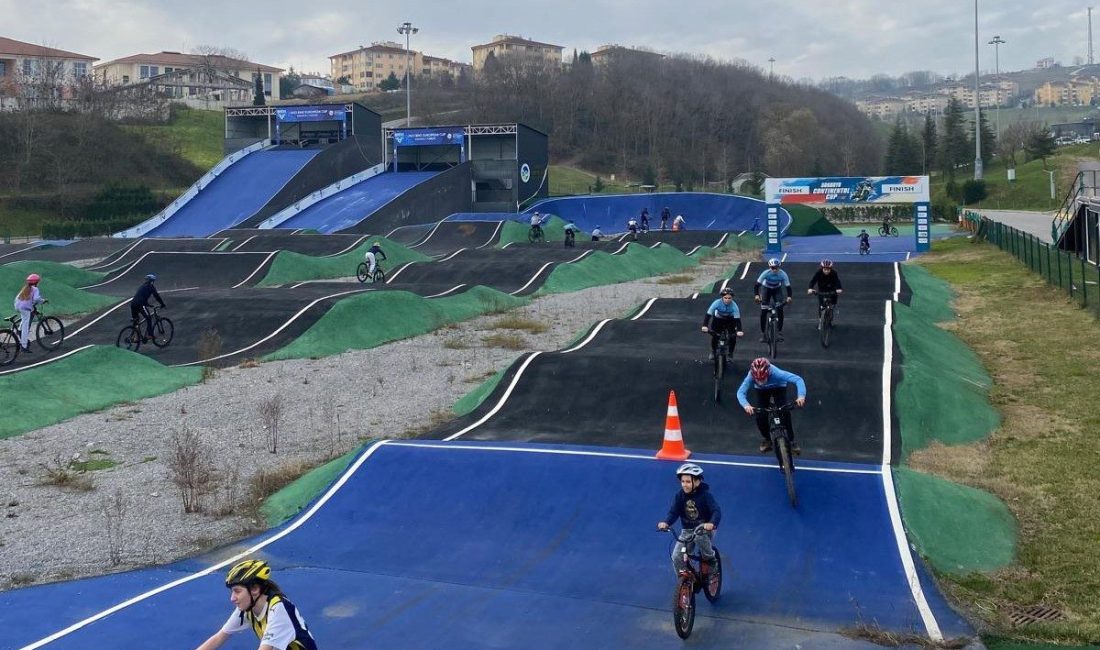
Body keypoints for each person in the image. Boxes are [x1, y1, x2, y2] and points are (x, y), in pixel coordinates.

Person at [196, 559, 318, 650]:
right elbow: (219, 637)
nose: (232, 598)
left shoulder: (278, 609)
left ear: (254, 589)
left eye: (237, 591)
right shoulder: (247, 608)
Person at [657, 463, 720, 574]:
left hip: (704, 529)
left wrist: (711, 523)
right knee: (676, 557)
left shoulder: (705, 496)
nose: (684, 485)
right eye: (682, 481)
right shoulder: (680, 496)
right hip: (687, 531)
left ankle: (711, 560)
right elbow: (674, 512)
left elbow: (716, 511)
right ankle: (685, 581)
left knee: (699, 537)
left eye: (688, 482)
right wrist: (666, 522)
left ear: (697, 482)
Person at [736, 357, 806, 454]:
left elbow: (798, 380)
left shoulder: (776, 373)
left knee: (784, 411)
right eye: (758, 379)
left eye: (763, 378)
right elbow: (740, 393)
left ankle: (791, 441)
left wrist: (801, 397)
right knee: (760, 415)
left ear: (768, 373)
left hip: (778, 387)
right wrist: (746, 406)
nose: (761, 381)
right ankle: (767, 439)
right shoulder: (751, 376)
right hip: (761, 391)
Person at [753, 258, 792, 342]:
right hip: (766, 289)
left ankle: (779, 332)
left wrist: (789, 297)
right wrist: (756, 295)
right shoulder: (765, 273)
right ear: (769, 267)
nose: (774, 270)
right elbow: (757, 285)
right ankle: (763, 334)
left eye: (776, 268)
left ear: (779, 267)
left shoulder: (783, 274)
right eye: (772, 268)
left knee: (780, 308)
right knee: (763, 311)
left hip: (777, 289)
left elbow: (788, 287)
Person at [701, 287, 743, 361]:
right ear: (722, 297)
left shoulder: (734, 306)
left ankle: (730, 353)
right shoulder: (716, 303)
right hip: (718, 319)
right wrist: (705, 325)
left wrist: (739, 330)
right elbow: (708, 315)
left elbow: (737, 320)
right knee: (715, 335)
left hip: (730, 320)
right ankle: (713, 352)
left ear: (732, 298)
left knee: (732, 337)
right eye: (725, 298)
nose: (727, 300)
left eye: (729, 298)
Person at [13, 273, 46, 353]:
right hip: (25, 308)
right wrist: (43, 301)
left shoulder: (25, 288)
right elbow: (36, 299)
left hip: (18, 306)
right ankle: (24, 346)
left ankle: (20, 331)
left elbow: (21, 298)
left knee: (24, 320)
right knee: (26, 326)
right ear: (36, 282)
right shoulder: (35, 289)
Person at [131, 273, 165, 343]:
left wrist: (148, 305)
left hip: (133, 304)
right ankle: (149, 335)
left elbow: (142, 297)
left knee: (136, 320)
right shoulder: (151, 287)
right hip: (140, 304)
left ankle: (134, 337)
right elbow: (156, 296)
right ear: (152, 281)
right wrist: (162, 304)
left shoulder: (142, 286)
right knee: (149, 318)